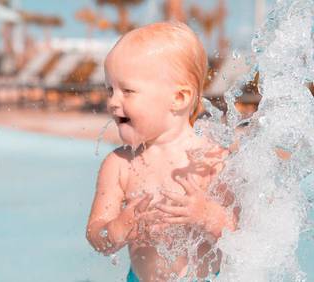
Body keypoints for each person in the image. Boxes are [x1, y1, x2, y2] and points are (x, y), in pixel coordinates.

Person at [86, 21, 237, 281]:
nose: (112, 101)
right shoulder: (120, 164)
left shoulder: (213, 161)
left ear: (178, 98)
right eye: (110, 89)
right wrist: (119, 228)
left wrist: (206, 214)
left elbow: (241, 235)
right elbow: (96, 235)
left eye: (127, 91)